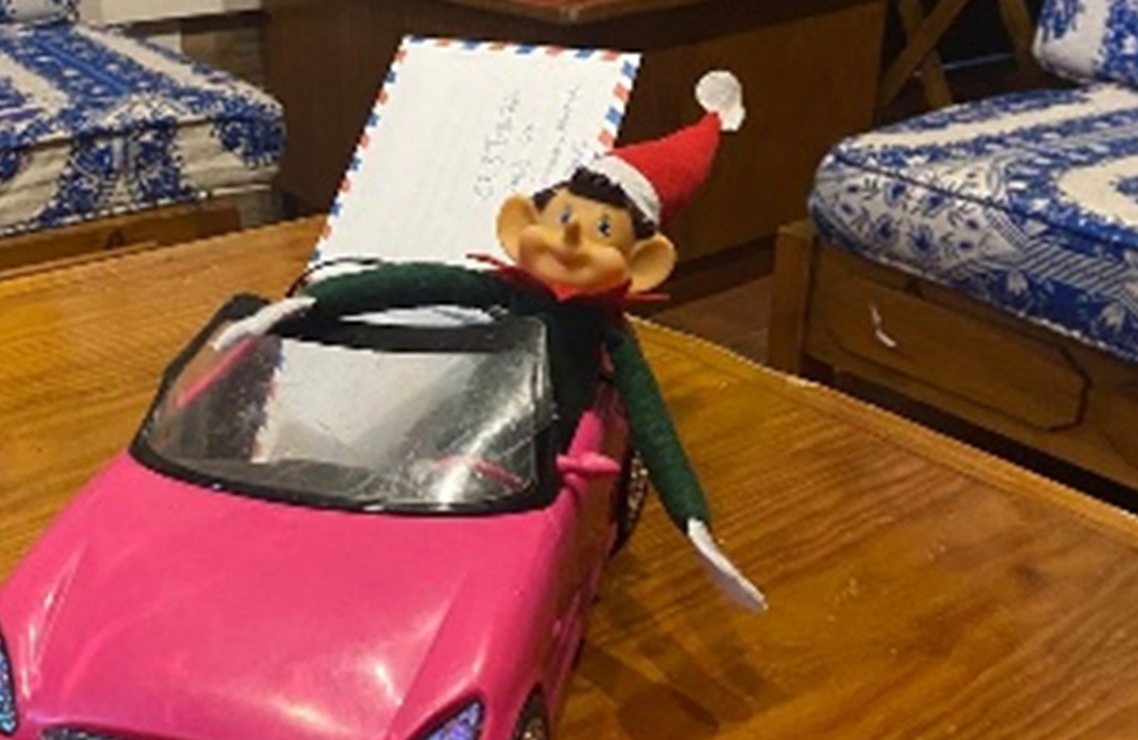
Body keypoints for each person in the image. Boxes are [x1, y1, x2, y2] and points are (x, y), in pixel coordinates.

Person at [222, 72, 765, 610]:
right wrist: (309, 303)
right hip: (458, 451)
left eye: (602, 230)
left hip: (539, 478)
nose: (570, 237)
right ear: (523, 223)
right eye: (564, 217)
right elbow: (410, 282)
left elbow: (653, 426)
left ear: (643, 264)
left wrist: (693, 521)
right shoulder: (502, 291)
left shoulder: (612, 338)